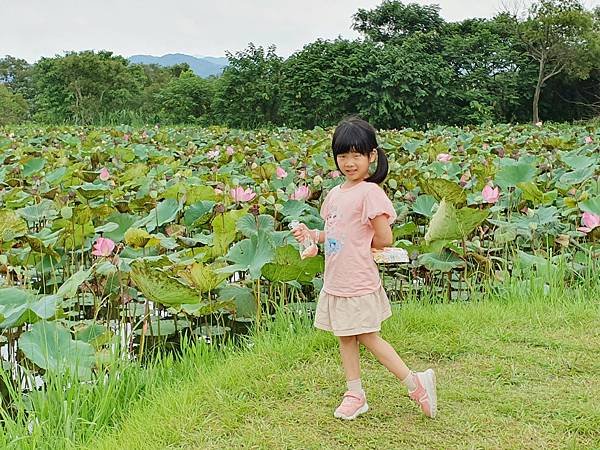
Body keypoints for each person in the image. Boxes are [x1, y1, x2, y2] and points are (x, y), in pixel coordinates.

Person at [292, 117, 437, 420]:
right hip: (336, 280)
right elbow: (333, 234)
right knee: (345, 336)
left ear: (372, 155)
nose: (349, 162)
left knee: (368, 336)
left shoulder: (370, 192)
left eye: (356, 155)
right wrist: (311, 235)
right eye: (342, 155)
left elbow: (385, 236)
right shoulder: (334, 194)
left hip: (358, 278)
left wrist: (365, 246)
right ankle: (355, 393)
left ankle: (415, 383)